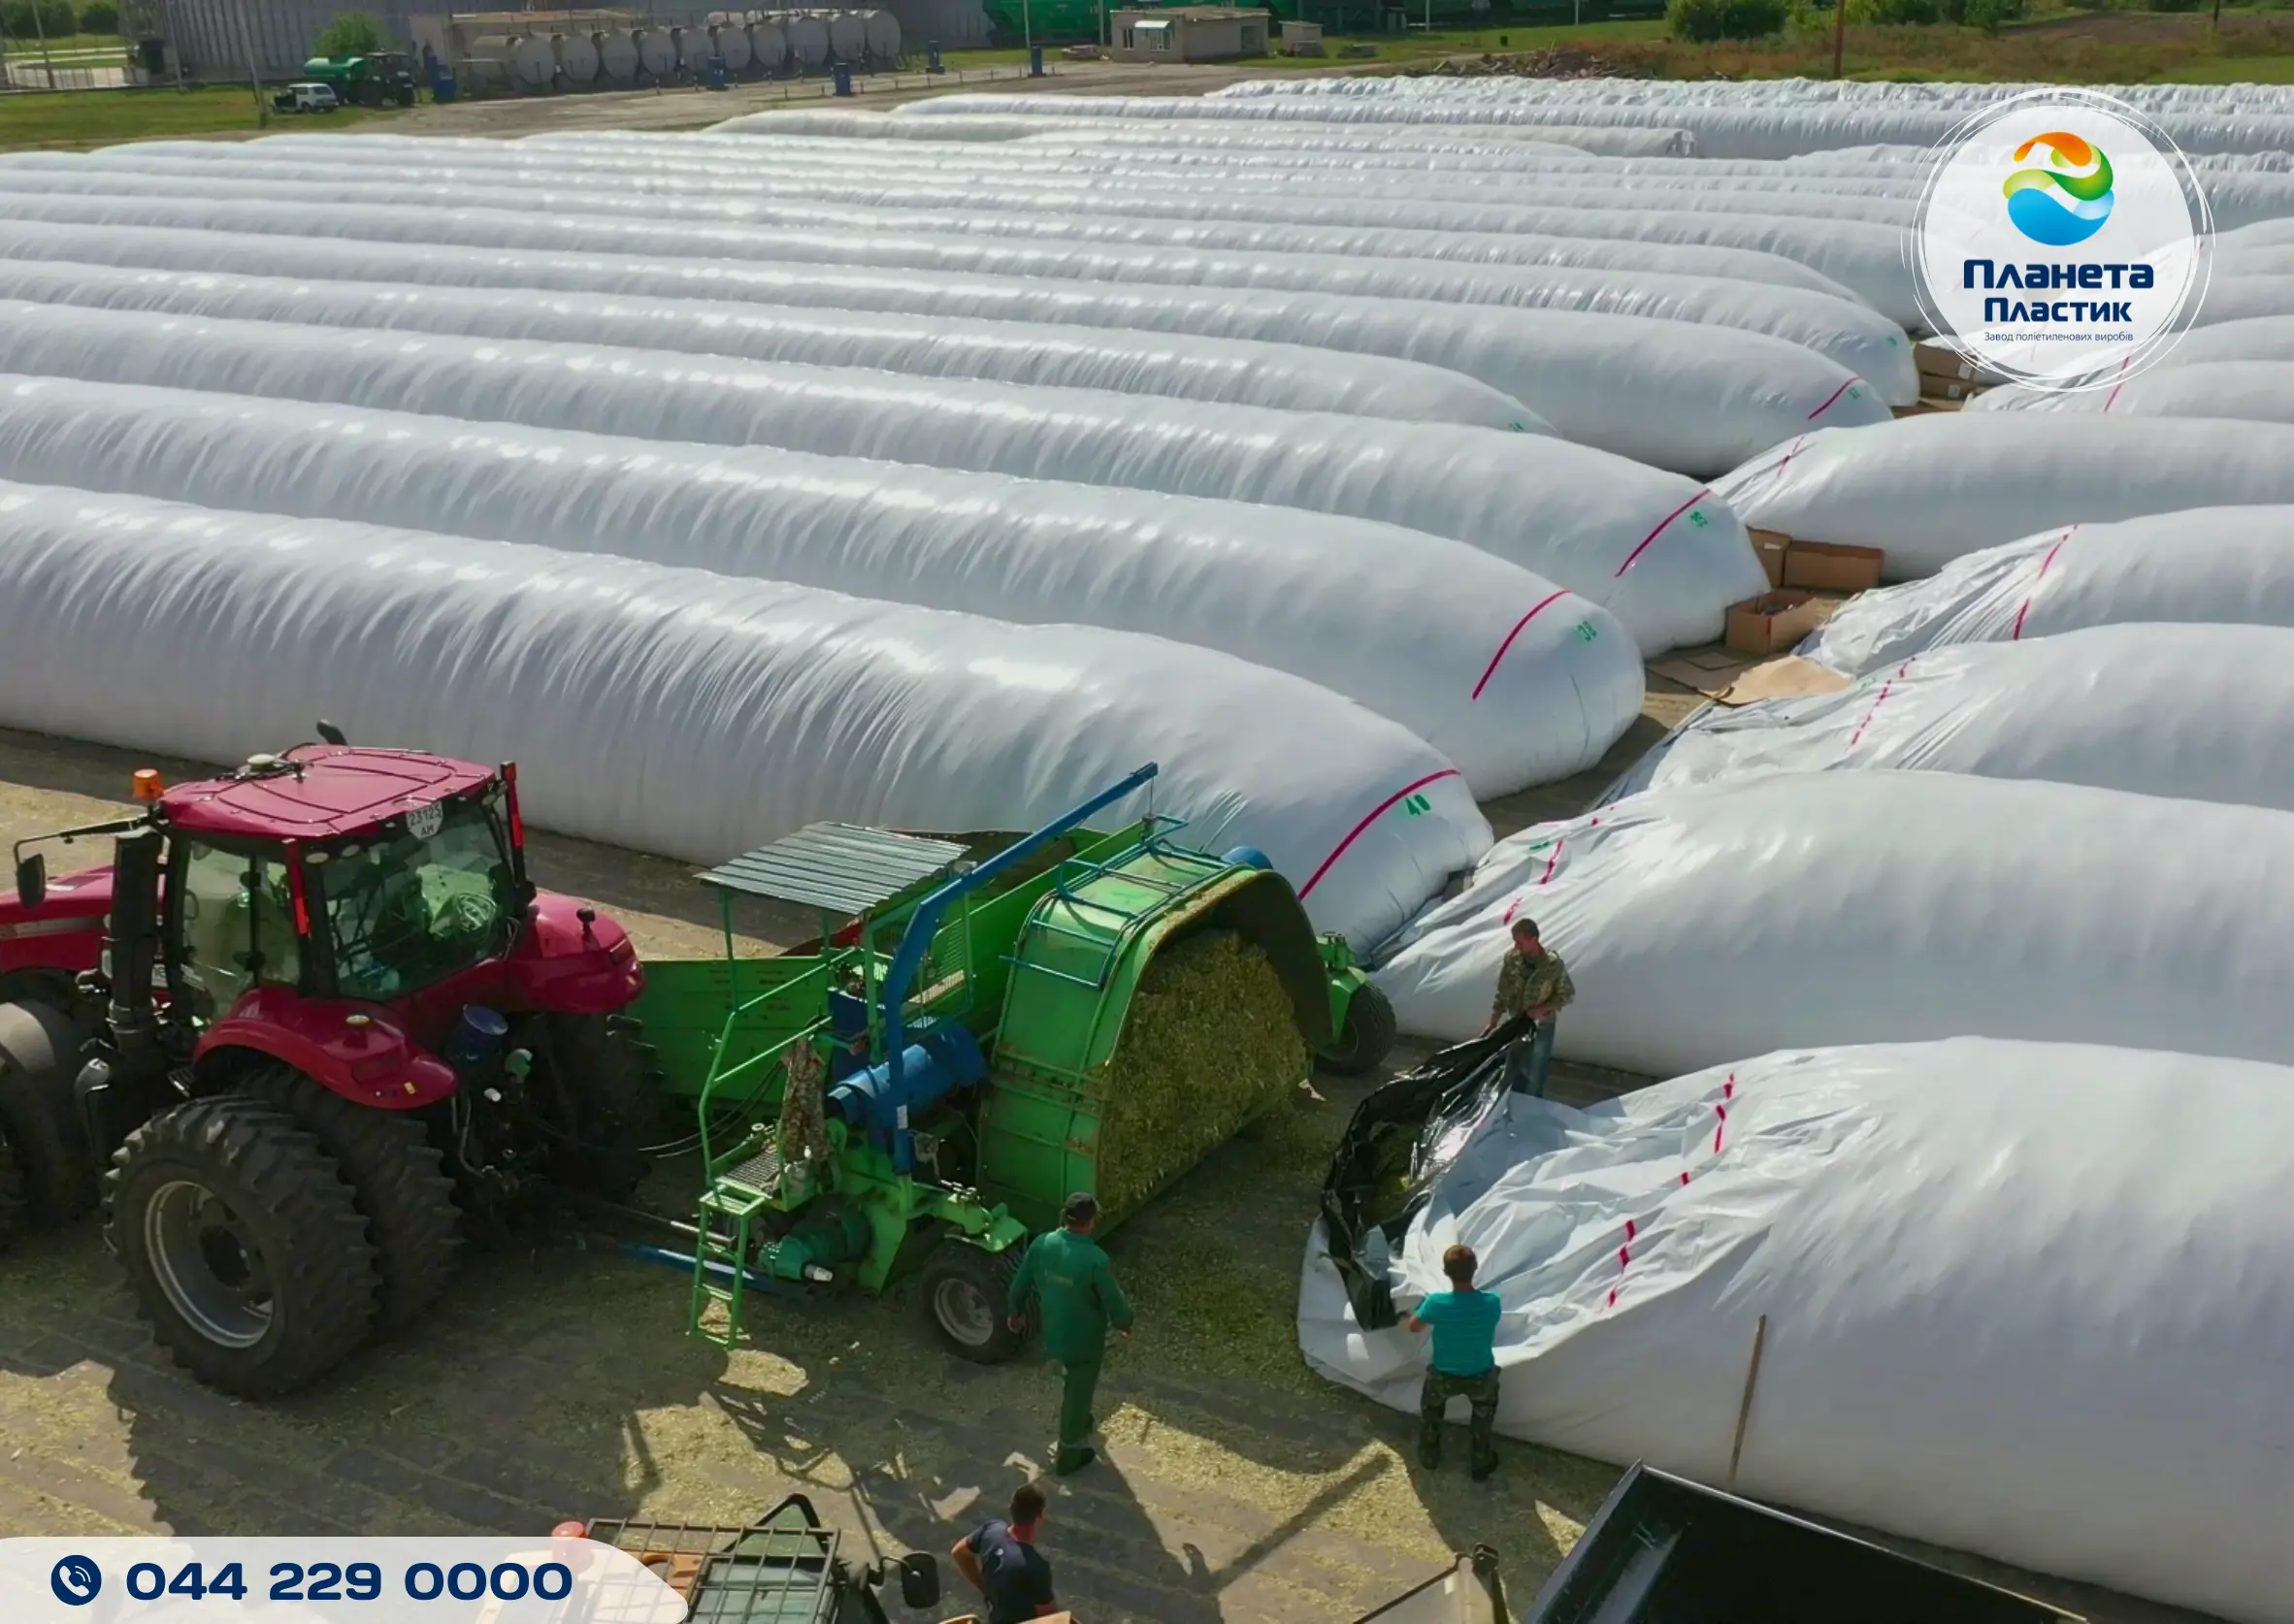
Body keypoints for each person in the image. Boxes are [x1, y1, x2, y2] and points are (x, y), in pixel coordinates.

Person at [1007, 1191, 1133, 1476]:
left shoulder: (1042, 1245)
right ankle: (1068, 1454)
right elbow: (1115, 1303)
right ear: (1091, 1222)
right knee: (1078, 1394)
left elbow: (1018, 1286)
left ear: (1065, 1217)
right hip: (1084, 1343)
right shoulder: (1095, 1260)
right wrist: (1126, 1321)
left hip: (1053, 1333)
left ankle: (1083, 1420)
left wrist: (1014, 1315)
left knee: (1072, 1381)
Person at [1407, 1244, 1504, 1480]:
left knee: (1432, 1411)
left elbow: (1413, 1327)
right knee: (1483, 1418)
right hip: (1481, 1375)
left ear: (1445, 1272)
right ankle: (1480, 1461)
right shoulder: (1492, 1302)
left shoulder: (1437, 1303)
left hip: (1443, 1375)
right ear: (1475, 1269)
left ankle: (1430, 1455)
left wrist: (1420, 1309)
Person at [1483, 917, 1574, 1098]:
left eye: (1520, 942)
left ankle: (1532, 1111)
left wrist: (1543, 1008)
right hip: (1517, 1023)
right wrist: (1493, 1020)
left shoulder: (1552, 964)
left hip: (1541, 1025)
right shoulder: (1512, 959)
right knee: (1514, 1069)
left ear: (1534, 939)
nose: (1517, 947)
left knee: (1536, 1072)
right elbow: (1503, 990)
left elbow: (1567, 994)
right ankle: (1513, 1106)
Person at [949, 1481, 1063, 1624]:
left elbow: (958, 1553)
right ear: (1039, 1516)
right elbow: (1052, 1620)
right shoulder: (1035, 1567)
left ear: (1012, 1509)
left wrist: (985, 1587)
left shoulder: (990, 1530)